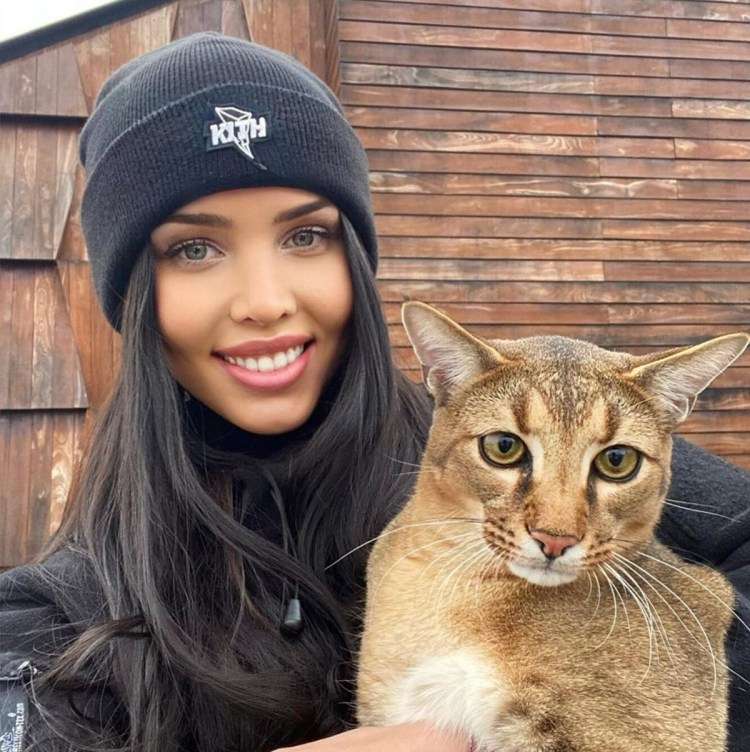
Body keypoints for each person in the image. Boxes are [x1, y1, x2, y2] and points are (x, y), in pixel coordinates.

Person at [0, 32, 747, 752]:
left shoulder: (476, 440)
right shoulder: (56, 613)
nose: (265, 301)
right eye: (194, 248)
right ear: (133, 293)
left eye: (305, 236)